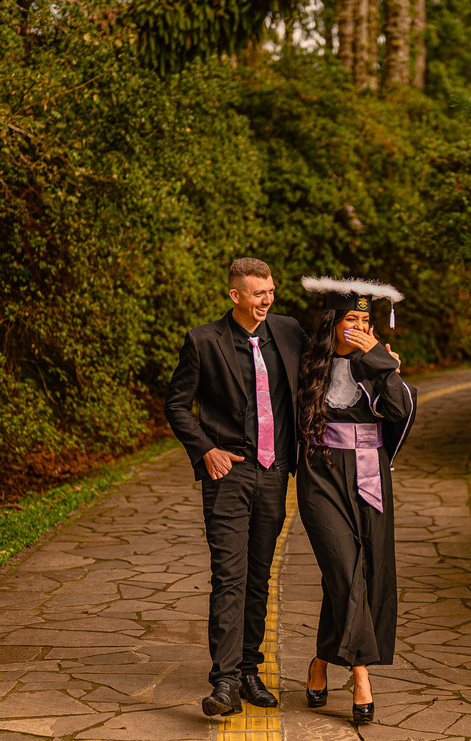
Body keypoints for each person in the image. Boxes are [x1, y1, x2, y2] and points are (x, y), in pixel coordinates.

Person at [164, 258, 307, 717]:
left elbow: (327, 366)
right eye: (258, 293)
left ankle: (249, 670)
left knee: (259, 575)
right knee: (230, 575)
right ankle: (223, 682)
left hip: (274, 471)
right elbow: (177, 405)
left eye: (271, 291)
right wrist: (206, 449)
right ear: (235, 296)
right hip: (229, 473)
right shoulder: (203, 341)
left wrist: (377, 357)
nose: (267, 300)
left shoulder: (288, 332)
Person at [295, 276, 417, 725]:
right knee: (343, 569)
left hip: (368, 474)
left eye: (367, 320)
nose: (361, 327)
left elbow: (401, 414)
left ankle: (321, 663)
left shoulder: (379, 365)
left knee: (358, 573)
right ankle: (362, 675)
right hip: (321, 474)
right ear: (334, 323)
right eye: (352, 319)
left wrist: (380, 362)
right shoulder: (309, 362)